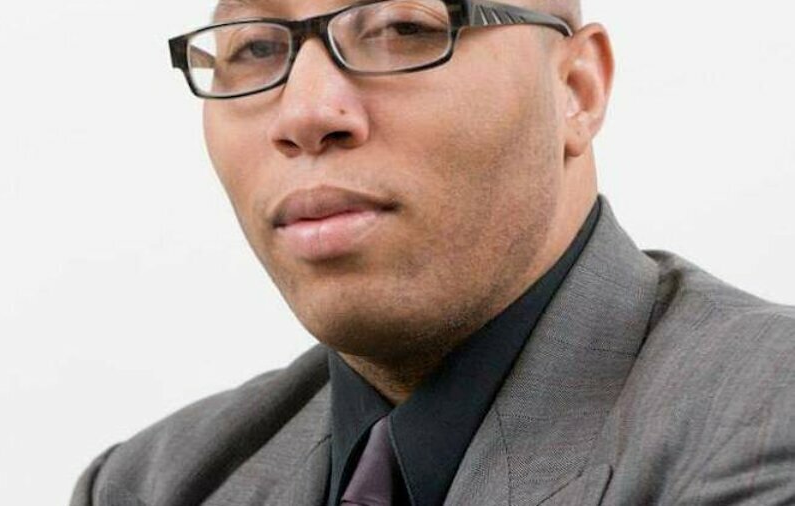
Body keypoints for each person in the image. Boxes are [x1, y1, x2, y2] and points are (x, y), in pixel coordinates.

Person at [71, 0, 795, 504]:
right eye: (256, 48)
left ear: (575, 87)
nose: (304, 112)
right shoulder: (153, 484)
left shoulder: (768, 415)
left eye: (401, 27)